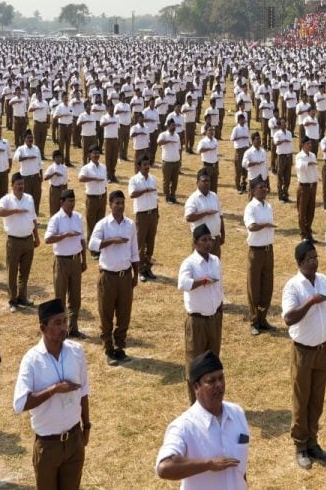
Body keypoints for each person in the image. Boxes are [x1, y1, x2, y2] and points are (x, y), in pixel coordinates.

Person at [14, 299, 91, 490]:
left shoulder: (76, 351)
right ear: (43, 327)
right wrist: (54, 390)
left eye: (65, 321)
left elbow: (84, 391)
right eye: (57, 323)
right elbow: (20, 404)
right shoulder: (31, 360)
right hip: (48, 446)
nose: (64, 327)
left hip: (74, 440)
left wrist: (86, 427)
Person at [155, 351, 250, 487]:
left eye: (221, 378)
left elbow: (240, 470)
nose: (219, 385)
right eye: (211, 381)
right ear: (196, 387)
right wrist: (209, 464)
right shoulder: (184, 426)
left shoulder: (237, 413)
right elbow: (164, 468)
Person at [281, 239, 326, 469]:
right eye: (310, 259)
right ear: (300, 262)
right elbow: (289, 318)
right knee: (301, 399)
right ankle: (300, 446)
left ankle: (313, 441)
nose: (315, 262)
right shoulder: (293, 287)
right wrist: (311, 301)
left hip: (322, 350)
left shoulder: (323, 281)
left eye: (316, 257)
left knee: (317, 399)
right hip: (303, 351)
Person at [89, 190, 139, 366]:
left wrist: (135, 274)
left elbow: (134, 251)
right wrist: (112, 241)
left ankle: (120, 347)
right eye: (116, 203)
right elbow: (92, 245)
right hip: (108, 276)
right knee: (106, 313)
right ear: (110, 205)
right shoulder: (103, 225)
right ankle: (108, 349)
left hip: (125, 276)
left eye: (122, 203)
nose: (119, 206)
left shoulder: (130, 225)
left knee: (124, 314)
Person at [178, 225, 223, 401]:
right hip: (197, 322)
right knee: (195, 364)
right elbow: (182, 284)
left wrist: (220, 309)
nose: (208, 243)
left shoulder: (215, 261)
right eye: (203, 240)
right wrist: (202, 281)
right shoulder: (189, 263)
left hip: (214, 320)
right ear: (195, 243)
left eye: (209, 239)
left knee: (212, 363)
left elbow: (219, 287)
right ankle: (195, 403)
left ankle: (211, 399)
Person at [43, 188, 87, 338]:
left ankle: (73, 328)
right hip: (61, 261)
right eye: (69, 201)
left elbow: (82, 239)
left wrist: (84, 260)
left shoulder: (78, 217)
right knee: (60, 297)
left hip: (75, 260)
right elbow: (48, 239)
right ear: (61, 202)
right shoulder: (56, 219)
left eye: (74, 201)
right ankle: (60, 330)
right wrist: (65, 235)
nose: (72, 204)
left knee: (75, 297)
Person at [0, 173, 40, 312]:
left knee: (25, 272)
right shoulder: (7, 199)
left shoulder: (29, 198)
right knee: (12, 272)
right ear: (12, 185)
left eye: (22, 184)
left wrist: (36, 237)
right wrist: (15, 210)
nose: (20, 186)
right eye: (18, 184)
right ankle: (12, 300)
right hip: (13, 241)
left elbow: (33, 218)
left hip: (28, 240)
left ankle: (22, 296)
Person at [243, 178, 276, 335]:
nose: (264, 190)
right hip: (256, 251)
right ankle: (254, 320)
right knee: (254, 287)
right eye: (260, 187)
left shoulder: (268, 206)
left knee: (267, 286)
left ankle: (263, 319)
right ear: (253, 190)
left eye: (265, 187)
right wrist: (264, 225)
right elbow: (251, 226)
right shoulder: (251, 208)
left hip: (269, 250)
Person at [129, 154, 160, 282]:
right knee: (140, 243)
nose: (147, 167)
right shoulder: (134, 180)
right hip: (141, 214)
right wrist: (144, 191)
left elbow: (155, 197)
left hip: (152, 213)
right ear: (139, 166)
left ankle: (148, 267)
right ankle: (140, 269)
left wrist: (157, 213)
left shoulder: (153, 179)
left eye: (148, 164)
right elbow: (132, 194)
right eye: (145, 165)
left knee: (150, 241)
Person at [184, 168, 224, 257]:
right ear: (197, 182)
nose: (207, 183)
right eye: (204, 181)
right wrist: (205, 213)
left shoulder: (214, 196)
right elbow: (189, 217)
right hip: (201, 241)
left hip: (215, 239)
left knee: (214, 267)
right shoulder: (193, 199)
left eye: (208, 181)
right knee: (199, 266)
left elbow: (220, 216)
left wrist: (222, 234)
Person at [78, 146, 108, 237]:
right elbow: (80, 178)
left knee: (101, 222)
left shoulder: (103, 167)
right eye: (94, 153)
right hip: (92, 199)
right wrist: (94, 178)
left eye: (98, 153)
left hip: (102, 197)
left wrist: (105, 194)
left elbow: (105, 182)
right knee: (91, 223)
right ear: (89, 155)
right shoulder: (86, 168)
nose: (96, 155)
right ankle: (91, 245)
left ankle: (99, 242)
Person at [294, 137, 319, 240]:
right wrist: (308, 163)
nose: (310, 145)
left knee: (310, 211)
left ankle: (309, 232)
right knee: (302, 212)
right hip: (304, 187)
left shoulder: (312, 155)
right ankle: (303, 234)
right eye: (308, 144)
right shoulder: (299, 156)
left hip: (312, 187)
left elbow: (315, 170)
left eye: (310, 143)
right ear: (303, 144)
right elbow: (299, 167)